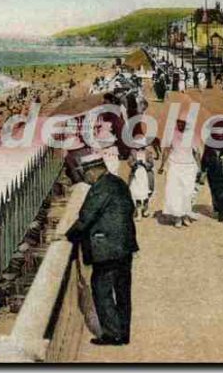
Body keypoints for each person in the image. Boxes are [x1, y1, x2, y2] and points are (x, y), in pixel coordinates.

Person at [66, 154, 139, 346]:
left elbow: (85, 218)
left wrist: (68, 236)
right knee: (123, 292)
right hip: (124, 247)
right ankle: (123, 333)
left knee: (102, 290)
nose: (85, 178)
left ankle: (112, 334)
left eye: (85, 174)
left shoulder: (100, 188)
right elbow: (129, 209)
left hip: (106, 250)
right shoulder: (118, 183)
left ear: (93, 171)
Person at [158, 118, 201, 228]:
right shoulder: (171, 134)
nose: (181, 124)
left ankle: (185, 215)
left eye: (183, 122)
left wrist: (199, 168)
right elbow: (166, 150)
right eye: (179, 122)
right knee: (174, 192)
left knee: (187, 192)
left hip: (189, 167)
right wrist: (162, 165)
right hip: (174, 166)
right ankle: (177, 217)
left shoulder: (193, 136)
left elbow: (197, 153)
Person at [200, 121, 223, 222]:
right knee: (217, 191)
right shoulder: (210, 140)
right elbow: (206, 154)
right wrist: (203, 167)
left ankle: (222, 208)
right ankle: (221, 211)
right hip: (214, 169)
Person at [127, 135, 156, 220]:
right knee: (137, 194)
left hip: (145, 176)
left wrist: (144, 164)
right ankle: (139, 212)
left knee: (146, 193)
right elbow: (129, 162)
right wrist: (135, 163)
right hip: (136, 175)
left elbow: (151, 164)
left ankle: (145, 209)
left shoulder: (148, 152)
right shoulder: (133, 152)